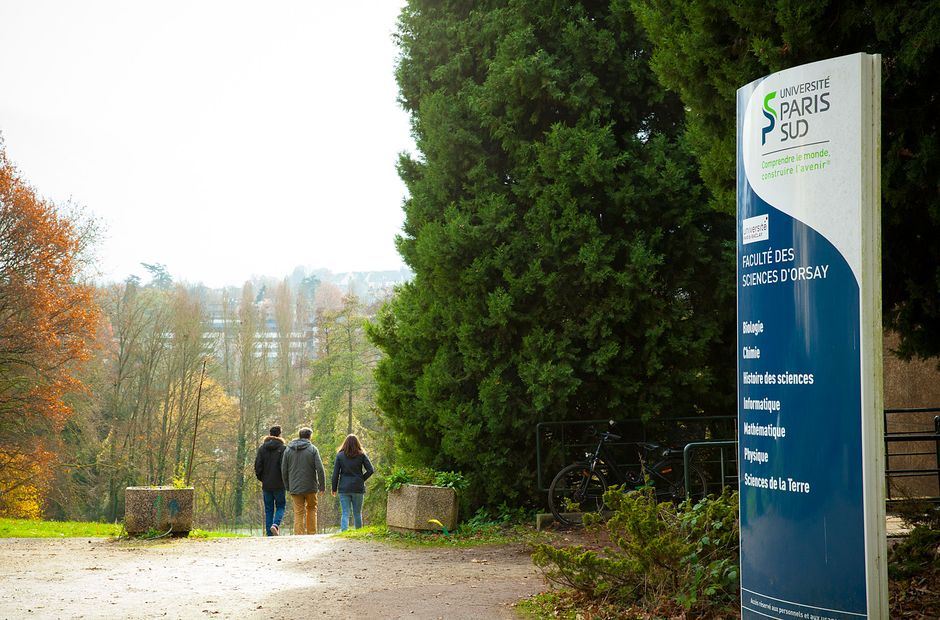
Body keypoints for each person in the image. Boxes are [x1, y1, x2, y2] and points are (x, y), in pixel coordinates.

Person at [281, 427, 325, 535]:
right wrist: (322, 486)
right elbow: (320, 469)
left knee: (298, 512)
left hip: (295, 487)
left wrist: (288, 486)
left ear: (300, 435)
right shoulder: (313, 449)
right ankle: (311, 534)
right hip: (310, 486)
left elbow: (283, 470)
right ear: (310, 436)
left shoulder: (288, 450)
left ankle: (298, 535)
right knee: (312, 509)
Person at [330, 434, 374, 531]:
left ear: (345, 444)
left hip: (344, 488)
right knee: (357, 513)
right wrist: (361, 479)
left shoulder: (340, 455)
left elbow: (335, 474)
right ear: (357, 443)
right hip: (358, 488)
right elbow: (371, 470)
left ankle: (344, 532)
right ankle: (358, 532)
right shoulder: (361, 455)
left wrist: (334, 488)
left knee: (345, 513)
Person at [253, 425, 286, 536]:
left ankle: (269, 534)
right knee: (281, 506)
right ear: (280, 434)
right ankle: (275, 525)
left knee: (268, 509)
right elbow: (284, 467)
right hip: (279, 484)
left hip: (266, 484)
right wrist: (284, 480)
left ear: (269, 434)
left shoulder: (262, 448)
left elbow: (257, 466)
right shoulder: (283, 448)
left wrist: (262, 479)